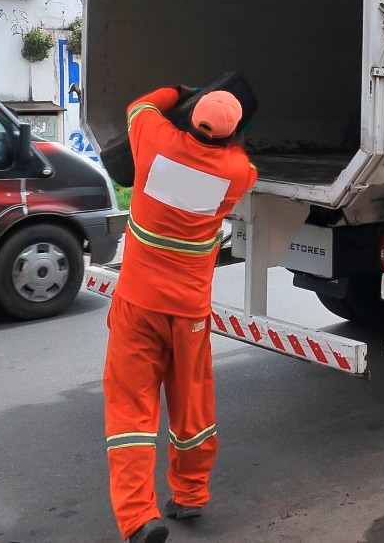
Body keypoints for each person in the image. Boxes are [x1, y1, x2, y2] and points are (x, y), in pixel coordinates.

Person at [104, 86, 257, 543]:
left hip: (138, 304)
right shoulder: (237, 173)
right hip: (189, 311)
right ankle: (190, 495)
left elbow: (139, 106)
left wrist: (182, 91)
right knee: (193, 403)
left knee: (131, 408)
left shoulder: (156, 140)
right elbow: (245, 159)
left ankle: (138, 518)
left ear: (189, 120)